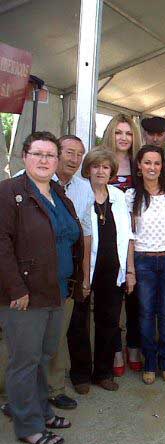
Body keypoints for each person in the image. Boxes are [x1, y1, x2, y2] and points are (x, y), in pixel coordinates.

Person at [0, 131, 84, 444]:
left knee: (43, 356)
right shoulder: (9, 192)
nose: (45, 160)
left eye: (50, 155)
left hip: (57, 290)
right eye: (38, 154)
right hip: (25, 295)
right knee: (24, 361)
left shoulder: (59, 193)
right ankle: (28, 425)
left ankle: (41, 411)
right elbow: (1, 246)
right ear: (25, 156)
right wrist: (15, 289)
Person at [12, 134, 93, 409]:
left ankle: (52, 390)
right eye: (68, 152)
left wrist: (83, 277)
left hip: (63, 282)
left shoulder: (76, 190)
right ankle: (23, 402)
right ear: (27, 156)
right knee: (28, 350)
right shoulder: (17, 188)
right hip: (30, 286)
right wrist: (15, 287)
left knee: (54, 343)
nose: (74, 159)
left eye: (78, 154)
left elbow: (83, 235)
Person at [70, 147, 136, 394]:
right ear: (88, 169)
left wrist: (130, 270)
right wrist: (83, 276)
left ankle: (104, 372)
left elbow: (129, 235)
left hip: (113, 267)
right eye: (96, 166)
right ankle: (80, 375)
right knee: (79, 321)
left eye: (105, 167)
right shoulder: (79, 193)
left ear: (112, 171)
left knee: (109, 321)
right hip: (85, 266)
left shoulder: (118, 196)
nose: (100, 171)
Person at [126, 145, 165, 385]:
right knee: (145, 314)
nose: (152, 167)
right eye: (147, 163)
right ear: (139, 167)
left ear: (162, 166)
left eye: (156, 163)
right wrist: (131, 267)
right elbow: (129, 235)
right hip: (143, 261)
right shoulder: (130, 196)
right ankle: (149, 363)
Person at [100, 113, 144, 375]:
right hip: (109, 241)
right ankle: (115, 349)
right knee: (111, 301)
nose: (124, 138)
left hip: (138, 242)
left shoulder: (140, 163)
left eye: (128, 133)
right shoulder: (100, 163)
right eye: (119, 132)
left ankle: (134, 346)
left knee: (136, 299)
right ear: (110, 134)